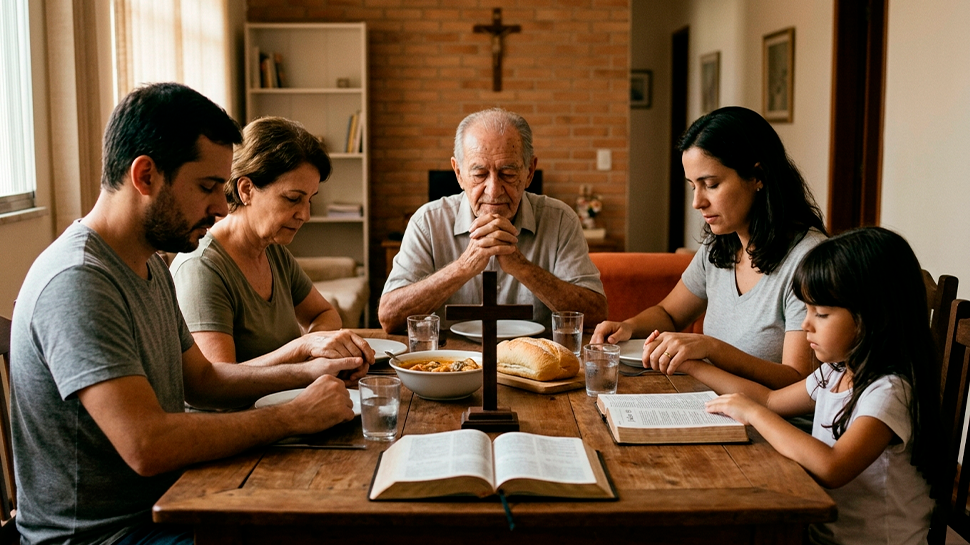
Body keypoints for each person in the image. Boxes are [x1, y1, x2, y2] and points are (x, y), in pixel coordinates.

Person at [9, 83, 368, 545]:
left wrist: (312, 371)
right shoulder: (79, 280)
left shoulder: (146, 263)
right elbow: (147, 445)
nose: (221, 207)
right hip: (109, 535)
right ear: (145, 177)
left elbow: (204, 379)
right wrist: (293, 417)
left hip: (174, 499)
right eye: (207, 188)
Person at [702, 227, 937, 545]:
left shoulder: (889, 392)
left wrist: (754, 414)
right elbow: (771, 399)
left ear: (872, 316)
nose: (805, 324)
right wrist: (693, 364)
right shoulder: (836, 372)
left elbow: (832, 466)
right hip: (822, 533)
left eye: (821, 313)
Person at [592, 106, 827, 389]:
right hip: (709, 404)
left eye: (711, 185)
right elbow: (670, 314)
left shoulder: (810, 259)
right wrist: (629, 326)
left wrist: (711, 348)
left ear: (757, 176)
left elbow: (799, 380)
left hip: (771, 424)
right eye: (693, 186)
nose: (697, 202)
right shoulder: (721, 246)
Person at [170, 116, 375, 370]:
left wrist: (316, 352)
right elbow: (218, 382)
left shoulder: (273, 251)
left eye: (309, 200)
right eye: (292, 198)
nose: (305, 215)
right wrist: (303, 349)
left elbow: (325, 314)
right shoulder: (201, 268)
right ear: (246, 190)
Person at [378, 108, 607, 333]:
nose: (494, 190)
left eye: (508, 174)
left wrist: (522, 267)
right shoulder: (427, 222)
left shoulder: (561, 220)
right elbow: (389, 318)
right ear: (458, 174)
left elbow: (596, 315)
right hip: (448, 364)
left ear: (529, 172)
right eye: (479, 175)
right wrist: (463, 267)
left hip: (535, 366)